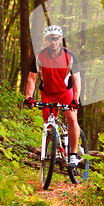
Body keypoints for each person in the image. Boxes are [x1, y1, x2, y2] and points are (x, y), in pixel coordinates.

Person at [23, 25, 81, 169]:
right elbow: (32, 78)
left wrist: (75, 99)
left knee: (72, 119)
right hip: (47, 93)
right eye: (50, 39)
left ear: (60, 39)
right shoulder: (39, 56)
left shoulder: (70, 56)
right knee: (48, 124)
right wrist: (29, 97)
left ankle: (73, 154)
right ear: (46, 40)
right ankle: (52, 151)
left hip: (65, 92)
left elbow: (76, 79)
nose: (53, 41)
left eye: (56, 38)